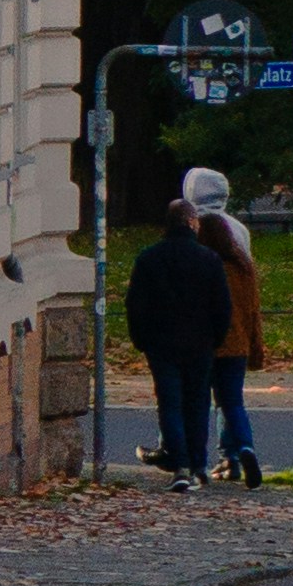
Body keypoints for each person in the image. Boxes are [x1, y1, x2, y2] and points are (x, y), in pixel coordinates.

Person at [123, 188, 231, 482]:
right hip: (200, 342)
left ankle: (179, 464)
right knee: (197, 403)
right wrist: (216, 338)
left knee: (169, 402)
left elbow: (135, 304)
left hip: (161, 342)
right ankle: (199, 465)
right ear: (192, 223)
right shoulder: (208, 259)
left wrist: (141, 339)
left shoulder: (149, 259)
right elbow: (222, 304)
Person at [180, 167, 267, 484]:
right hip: (237, 333)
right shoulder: (239, 235)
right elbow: (250, 296)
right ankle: (240, 449)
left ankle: (201, 462)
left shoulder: (192, 232)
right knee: (232, 401)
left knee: (199, 399)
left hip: (202, 337)